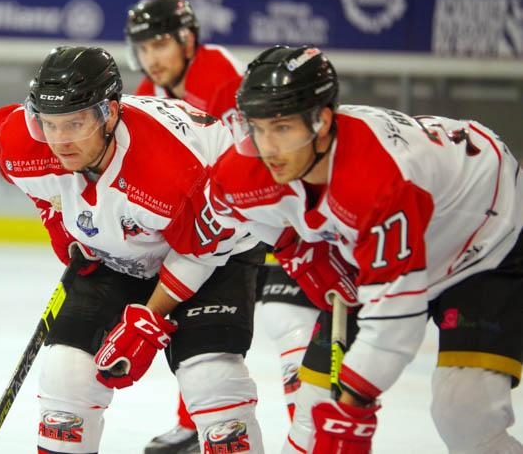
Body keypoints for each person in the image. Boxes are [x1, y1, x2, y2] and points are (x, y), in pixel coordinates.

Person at [208, 44, 523, 453]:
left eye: (282, 127)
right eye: (258, 127)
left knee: (464, 414)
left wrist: (354, 406)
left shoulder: (378, 179)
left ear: (321, 120)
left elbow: (396, 322)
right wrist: (299, 251)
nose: (268, 147)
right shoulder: (247, 169)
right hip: (389, 234)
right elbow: (231, 209)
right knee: (312, 407)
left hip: (483, 237)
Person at [0, 45, 268, 453]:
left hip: (217, 248)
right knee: (68, 374)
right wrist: (54, 214)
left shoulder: (171, 171)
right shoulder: (22, 145)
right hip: (117, 249)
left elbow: (200, 250)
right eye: (49, 124)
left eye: (75, 124)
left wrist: (149, 318)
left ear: (109, 113)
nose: (60, 141)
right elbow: (29, 176)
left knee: (213, 383)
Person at [125, 0, 320, 454]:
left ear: (188, 40)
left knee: (290, 331)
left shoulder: (219, 76)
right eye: (143, 47)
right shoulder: (150, 92)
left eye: (160, 45)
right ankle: (194, 422)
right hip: (219, 225)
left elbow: (249, 165)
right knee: (194, 322)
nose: (151, 59)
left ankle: (314, 437)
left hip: (271, 219)